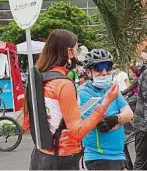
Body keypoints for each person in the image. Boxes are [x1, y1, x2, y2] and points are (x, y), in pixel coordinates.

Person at [23, 29, 119, 170]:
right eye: (76, 49)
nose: (77, 53)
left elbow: (27, 122)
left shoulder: (38, 77)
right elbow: (77, 132)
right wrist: (106, 102)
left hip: (40, 155)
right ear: (69, 53)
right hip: (62, 158)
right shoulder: (63, 84)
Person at [79, 49, 133, 170]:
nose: (104, 72)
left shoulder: (111, 88)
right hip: (99, 158)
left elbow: (129, 113)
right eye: (99, 68)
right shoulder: (84, 92)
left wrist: (115, 119)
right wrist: (119, 120)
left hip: (119, 155)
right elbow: (102, 124)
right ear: (88, 72)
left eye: (107, 67)